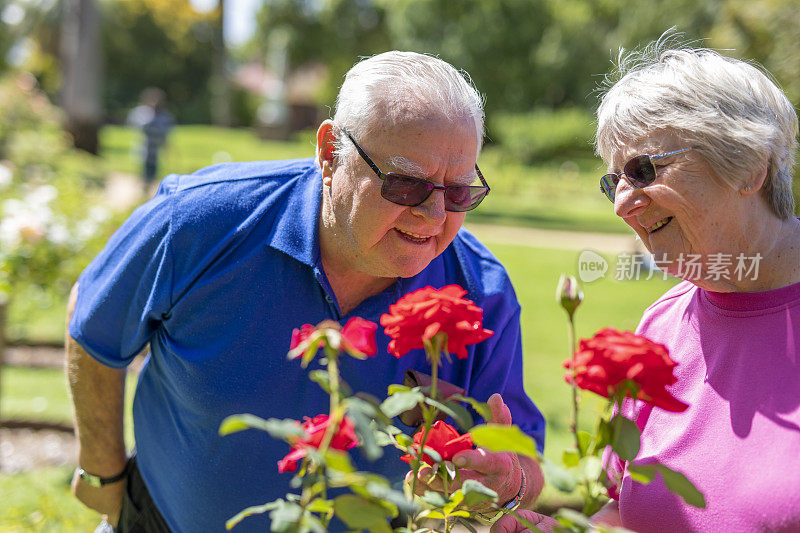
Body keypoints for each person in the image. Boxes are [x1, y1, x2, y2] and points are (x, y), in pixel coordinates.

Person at [67, 51, 546, 533]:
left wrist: (510, 480)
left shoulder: (481, 294)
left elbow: (525, 461)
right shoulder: (200, 221)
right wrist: (102, 472)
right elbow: (93, 323)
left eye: (459, 193)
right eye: (406, 185)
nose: (436, 215)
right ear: (330, 151)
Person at [493, 39, 800, 533]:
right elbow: (628, 508)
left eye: (643, 170)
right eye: (612, 181)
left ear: (747, 164)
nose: (620, 204)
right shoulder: (662, 327)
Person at [126, 87, 174, 185]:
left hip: (156, 147)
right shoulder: (141, 113)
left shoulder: (165, 116)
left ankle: (149, 185)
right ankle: (143, 186)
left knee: (154, 168)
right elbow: (137, 126)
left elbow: (167, 130)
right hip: (144, 146)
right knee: (143, 168)